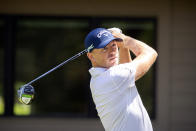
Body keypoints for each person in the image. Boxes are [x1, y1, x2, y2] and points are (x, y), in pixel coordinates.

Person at [84, 27, 158, 131]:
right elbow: (151, 53)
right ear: (91, 56)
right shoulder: (112, 77)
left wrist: (123, 46)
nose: (112, 51)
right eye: (104, 48)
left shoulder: (102, 78)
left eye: (113, 45)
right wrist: (124, 38)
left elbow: (125, 69)